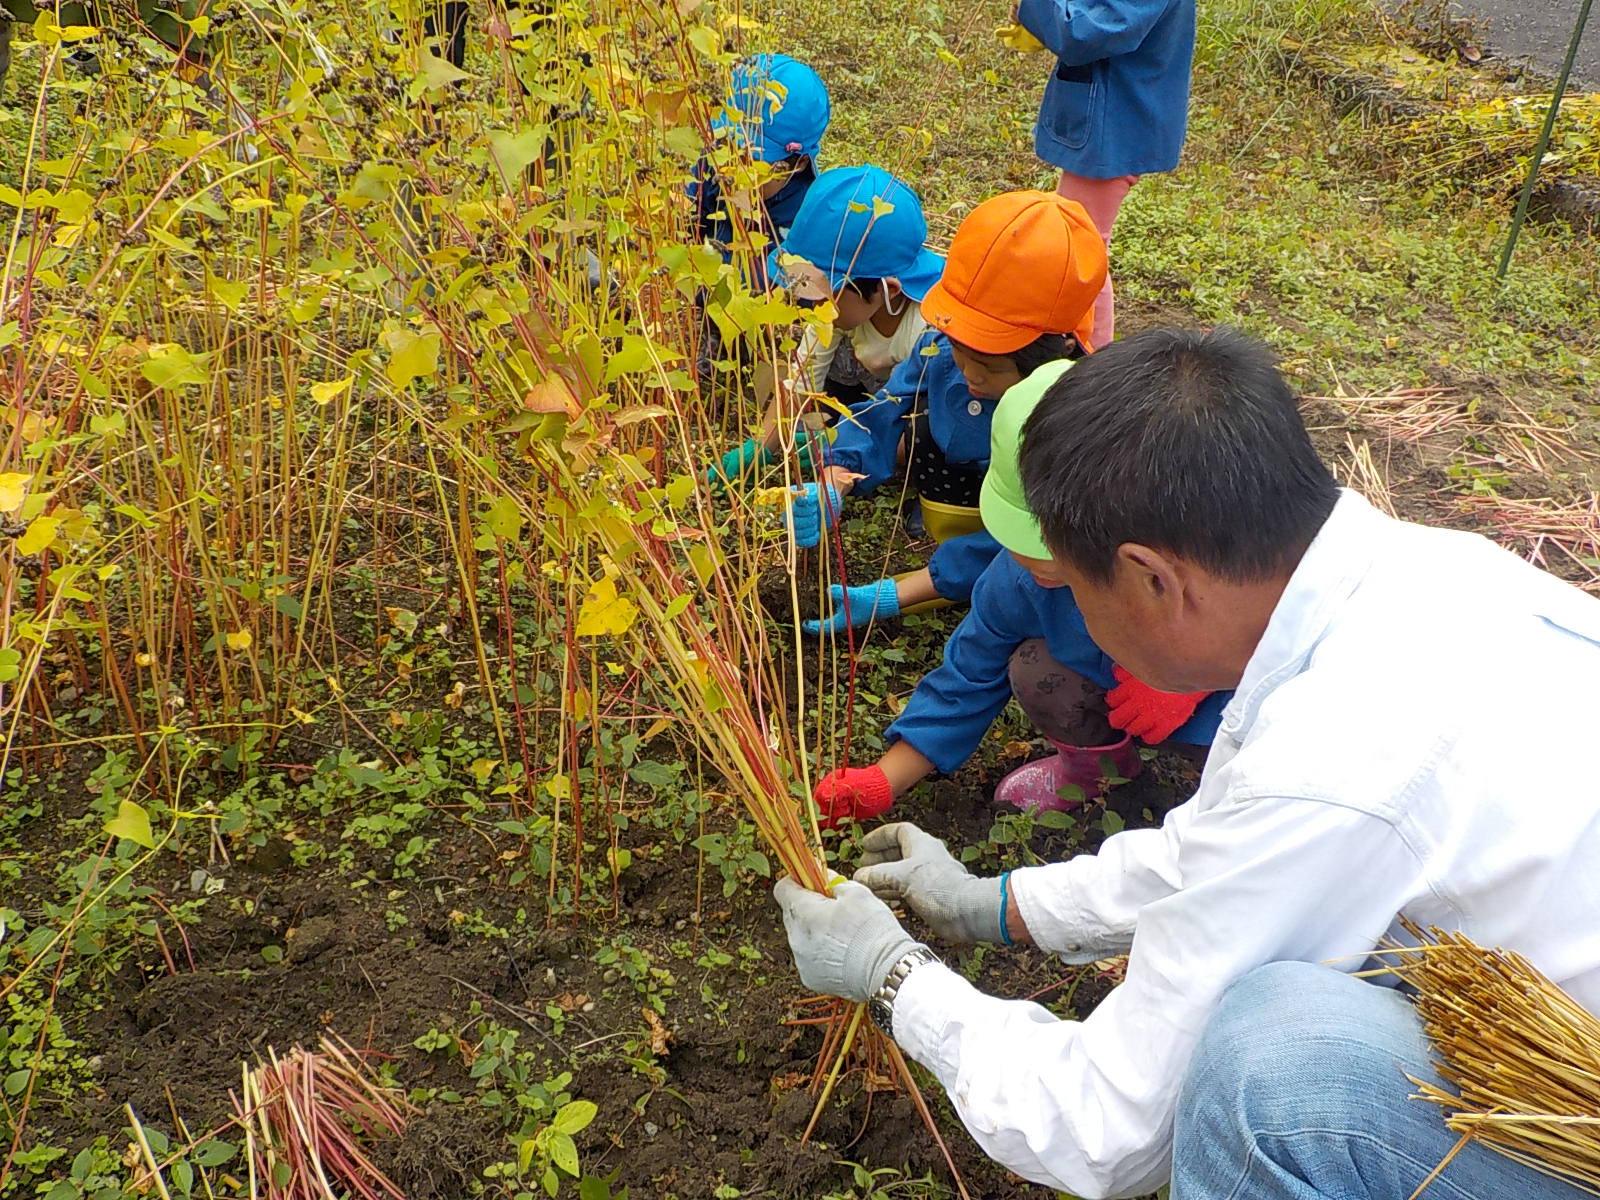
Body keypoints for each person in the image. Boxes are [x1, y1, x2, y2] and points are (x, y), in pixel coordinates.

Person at [774, 327, 1600, 1199]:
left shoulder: (1334, 763)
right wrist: (995, 906)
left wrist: (895, 976)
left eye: (1075, 588)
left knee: (1271, 1069)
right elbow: (1214, 851)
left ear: (1152, 579)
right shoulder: (1423, 576)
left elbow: (1108, 1128)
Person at [811, 355, 1227, 826]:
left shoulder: (1213, 559)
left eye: (1054, 548)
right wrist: (883, 781)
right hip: (1110, 690)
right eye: (1019, 539)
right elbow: (967, 677)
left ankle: (1224, 789)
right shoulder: (1018, 581)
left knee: (1238, 769)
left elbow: (1273, 638)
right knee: (1034, 667)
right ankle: (1097, 772)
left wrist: (1193, 680)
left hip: (1219, 706)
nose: (1032, 561)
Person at [792, 190, 1105, 627]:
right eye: (961, 353)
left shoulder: (1076, 420)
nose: (970, 375)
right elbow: (883, 412)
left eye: (990, 367)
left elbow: (1027, 543)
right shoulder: (939, 349)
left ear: (1057, 350)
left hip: (1018, 541)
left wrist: (898, 594)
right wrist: (835, 478)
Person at [712, 164, 944, 488]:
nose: (810, 301)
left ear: (888, 290)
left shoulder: (931, 329)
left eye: (824, 290)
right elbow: (802, 379)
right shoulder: (838, 311)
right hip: (877, 394)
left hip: (924, 419)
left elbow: (941, 431)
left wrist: (847, 447)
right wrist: (762, 446)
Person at [1011, 0, 1196, 344]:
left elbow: (1086, 33)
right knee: (1081, 240)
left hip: (1117, 120)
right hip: (1111, 113)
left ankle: (1091, 353)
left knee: (1080, 250)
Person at [692, 53, 831, 267]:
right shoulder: (713, 163)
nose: (734, 169)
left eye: (753, 161)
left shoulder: (806, 229)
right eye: (728, 145)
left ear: (800, 164)